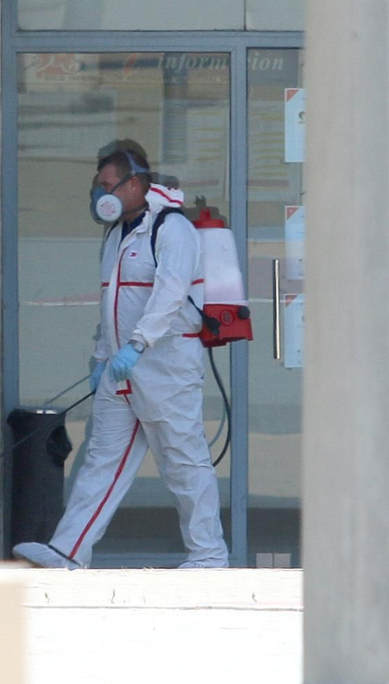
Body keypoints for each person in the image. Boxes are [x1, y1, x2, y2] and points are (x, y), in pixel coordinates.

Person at [13, 143, 228, 570]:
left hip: (165, 367)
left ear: (135, 184)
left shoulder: (172, 229)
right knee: (101, 460)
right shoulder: (116, 234)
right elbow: (111, 304)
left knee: (183, 462)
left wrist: (138, 344)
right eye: (98, 186)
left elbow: (169, 295)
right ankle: (69, 550)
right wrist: (102, 357)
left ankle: (209, 554)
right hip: (120, 368)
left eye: (108, 185)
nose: (101, 196)